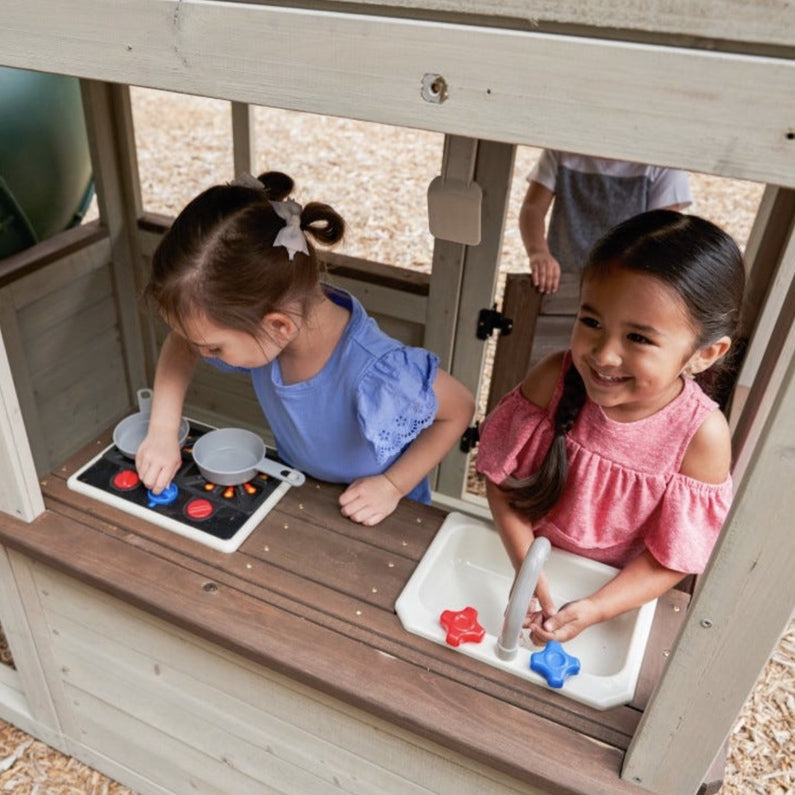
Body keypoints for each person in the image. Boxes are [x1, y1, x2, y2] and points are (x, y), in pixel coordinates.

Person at [135, 171, 475, 526]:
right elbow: (182, 342)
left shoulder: (376, 370)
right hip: (307, 492)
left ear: (278, 326)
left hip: (387, 511)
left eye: (214, 348)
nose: (202, 353)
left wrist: (391, 485)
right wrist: (161, 430)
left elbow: (459, 408)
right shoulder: (268, 325)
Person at [477, 209, 745, 643]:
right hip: (521, 557)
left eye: (638, 338)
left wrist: (596, 609)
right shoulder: (553, 380)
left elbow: (670, 559)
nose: (604, 355)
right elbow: (500, 478)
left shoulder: (702, 437)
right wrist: (527, 569)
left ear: (706, 353)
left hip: (615, 598)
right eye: (592, 322)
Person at [520, 149, 692, 294]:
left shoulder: (662, 163)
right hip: (563, 278)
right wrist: (539, 253)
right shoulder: (563, 151)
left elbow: (663, 234)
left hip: (626, 283)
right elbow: (533, 209)